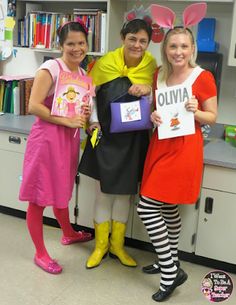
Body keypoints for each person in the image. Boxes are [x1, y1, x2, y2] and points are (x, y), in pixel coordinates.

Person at [137, 3, 217, 302]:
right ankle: (170, 261)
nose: (178, 51)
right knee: (166, 207)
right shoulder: (158, 75)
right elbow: (157, 112)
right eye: (173, 46)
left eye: (184, 46)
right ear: (165, 48)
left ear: (192, 47)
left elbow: (212, 117)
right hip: (160, 145)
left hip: (185, 150)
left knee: (146, 207)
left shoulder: (202, 77)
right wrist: (153, 116)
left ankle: (170, 271)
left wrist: (197, 111)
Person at [79, 18, 157, 269]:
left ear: (148, 43)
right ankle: (100, 246)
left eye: (143, 40)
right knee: (103, 192)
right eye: (132, 39)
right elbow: (89, 95)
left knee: (124, 194)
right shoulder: (104, 63)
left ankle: (117, 247)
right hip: (105, 136)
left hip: (134, 139)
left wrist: (148, 90)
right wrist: (92, 122)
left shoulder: (151, 67)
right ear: (123, 38)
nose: (137, 45)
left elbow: (158, 101)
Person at [19, 21, 93, 275]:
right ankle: (40, 253)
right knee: (39, 198)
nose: (76, 48)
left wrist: (85, 114)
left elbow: (78, 110)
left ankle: (68, 233)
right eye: (70, 43)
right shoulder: (51, 67)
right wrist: (66, 120)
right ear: (60, 45)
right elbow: (33, 105)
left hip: (68, 141)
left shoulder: (83, 75)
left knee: (62, 189)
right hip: (46, 141)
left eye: (81, 43)